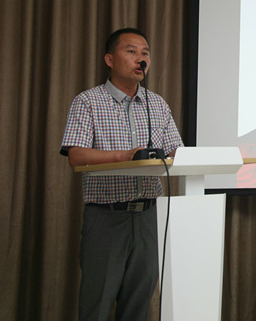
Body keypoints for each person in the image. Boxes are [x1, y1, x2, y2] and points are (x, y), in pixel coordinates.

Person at [60, 27, 184, 321]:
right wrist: (125, 156)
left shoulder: (157, 104)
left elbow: (176, 152)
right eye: (131, 52)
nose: (141, 59)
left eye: (145, 53)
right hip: (106, 217)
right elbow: (76, 155)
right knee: (97, 304)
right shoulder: (88, 101)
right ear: (110, 59)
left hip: (148, 217)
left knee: (139, 305)